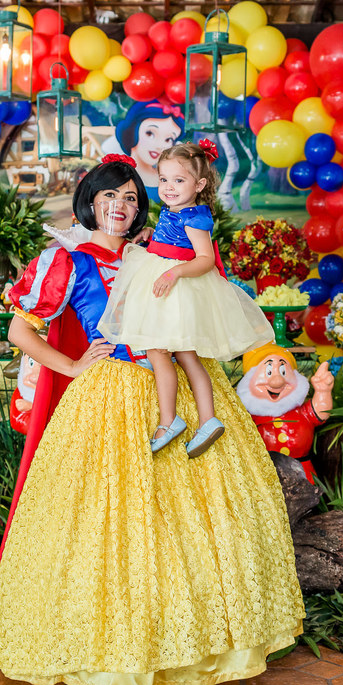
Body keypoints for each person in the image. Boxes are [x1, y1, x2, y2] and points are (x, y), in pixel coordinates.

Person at [0, 157, 303, 685]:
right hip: (107, 395)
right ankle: (110, 646)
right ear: (91, 201)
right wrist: (70, 366)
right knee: (108, 518)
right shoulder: (65, 261)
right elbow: (21, 328)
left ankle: (191, 645)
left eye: (133, 198)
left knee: (190, 518)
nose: (122, 206)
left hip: (174, 382)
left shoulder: (157, 252)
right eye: (112, 196)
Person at [97, 143, 272, 457]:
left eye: (178, 180)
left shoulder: (194, 216)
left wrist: (174, 274)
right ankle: (207, 419)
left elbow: (204, 259)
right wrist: (153, 231)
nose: (168, 187)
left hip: (177, 286)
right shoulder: (178, 211)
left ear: (199, 185)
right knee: (186, 357)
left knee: (158, 351)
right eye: (164, 179)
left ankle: (170, 421)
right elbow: (174, 237)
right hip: (167, 276)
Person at [234, 343, 333, 482]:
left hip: (303, 476)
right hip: (265, 477)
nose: (277, 381)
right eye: (268, 372)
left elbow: (320, 413)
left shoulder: (301, 412)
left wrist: (323, 392)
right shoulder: (248, 417)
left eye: (283, 371)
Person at [102, 100, 184, 201]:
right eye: (150, 133)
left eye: (168, 139)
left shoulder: (169, 180)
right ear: (133, 132)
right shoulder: (116, 175)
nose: (159, 145)